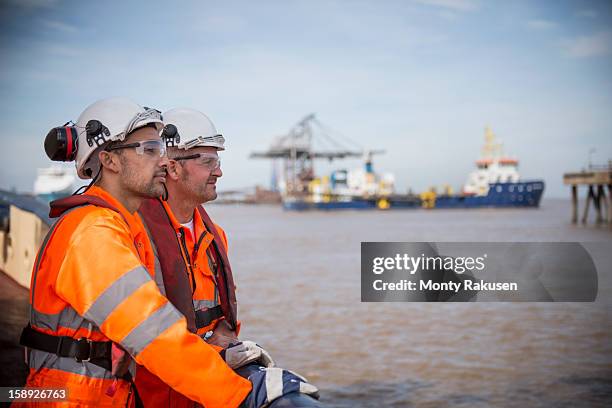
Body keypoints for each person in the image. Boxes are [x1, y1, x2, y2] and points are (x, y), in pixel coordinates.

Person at [17, 98, 252, 407]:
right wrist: (242, 394)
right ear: (110, 161)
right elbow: (153, 333)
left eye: (163, 150)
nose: (163, 161)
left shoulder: (121, 228)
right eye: (150, 150)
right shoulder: (92, 232)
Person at [135, 108, 320, 407]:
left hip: (204, 388)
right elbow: (140, 336)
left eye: (217, 161)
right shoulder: (135, 234)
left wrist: (227, 351)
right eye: (208, 161)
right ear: (172, 167)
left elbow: (219, 322)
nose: (218, 171)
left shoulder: (215, 236)